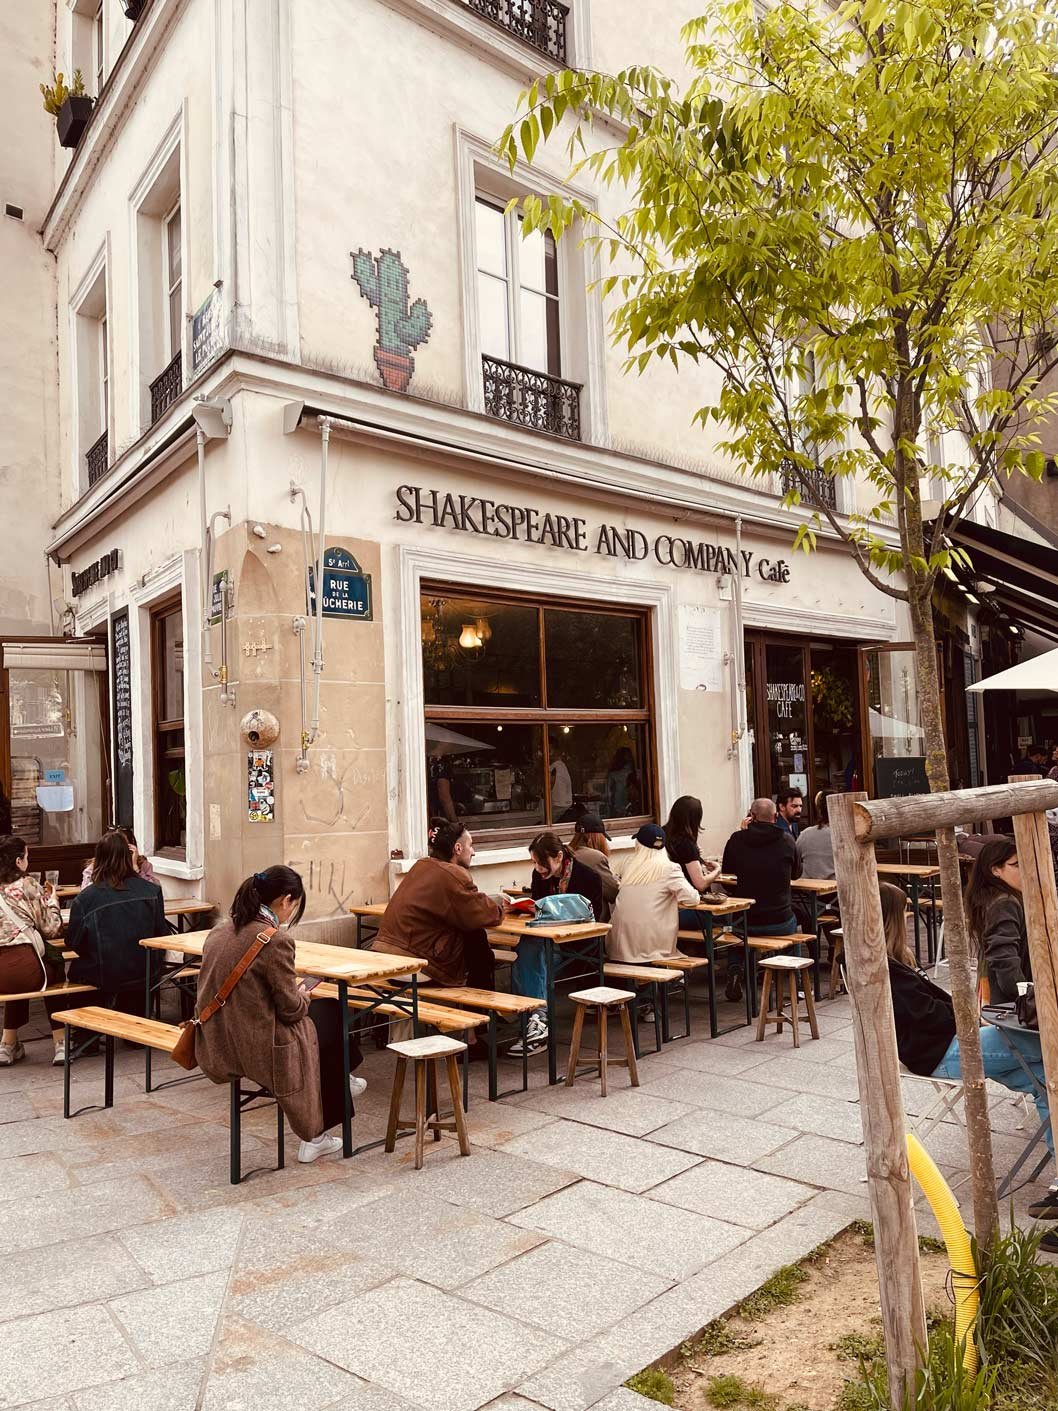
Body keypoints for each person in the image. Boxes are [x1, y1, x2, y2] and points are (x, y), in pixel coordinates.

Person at [880, 880, 1058, 1242]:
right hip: (942, 1053)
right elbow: (929, 1015)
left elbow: (934, 1007)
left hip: (950, 1043)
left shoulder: (895, 962)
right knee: (1047, 1048)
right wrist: (969, 1016)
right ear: (891, 919)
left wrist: (970, 1017)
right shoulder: (882, 969)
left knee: (1048, 1081)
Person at [195, 865, 360, 1164]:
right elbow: (291, 1009)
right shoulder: (275, 940)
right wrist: (302, 995)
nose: (291, 912)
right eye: (294, 906)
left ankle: (344, 1079)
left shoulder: (219, 930)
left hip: (217, 1042)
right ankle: (316, 1134)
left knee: (326, 1026)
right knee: (331, 1016)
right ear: (285, 900)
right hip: (258, 1047)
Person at [374, 818, 504, 989]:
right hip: (415, 966)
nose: (473, 852)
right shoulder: (454, 875)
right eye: (471, 845)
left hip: (386, 959)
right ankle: (483, 1009)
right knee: (476, 936)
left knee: (471, 935)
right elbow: (487, 915)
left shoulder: (421, 866)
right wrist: (502, 908)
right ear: (458, 848)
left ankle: (482, 1008)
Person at [517, 831, 605, 1056]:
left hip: (577, 948)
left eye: (541, 863)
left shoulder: (588, 877)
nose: (538, 869)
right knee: (526, 954)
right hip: (548, 942)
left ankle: (535, 1023)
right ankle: (537, 1023)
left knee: (525, 961)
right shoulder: (540, 877)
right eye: (535, 863)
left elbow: (594, 918)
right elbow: (538, 907)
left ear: (558, 857)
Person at [66, 830, 167, 1019]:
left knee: (79, 971)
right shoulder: (152, 890)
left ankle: (87, 1039)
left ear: (98, 859)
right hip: (144, 970)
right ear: (129, 857)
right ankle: (135, 1026)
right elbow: (162, 933)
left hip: (104, 973)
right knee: (134, 970)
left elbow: (73, 942)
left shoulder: (86, 898)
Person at [0, 836, 65, 1066]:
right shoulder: (27, 885)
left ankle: (7, 1045)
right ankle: (60, 1043)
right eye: (27, 856)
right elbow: (52, 929)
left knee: (18, 972)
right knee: (53, 970)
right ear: (19, 861)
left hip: (2, 975)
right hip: (27, 969)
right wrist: (53, 903)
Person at [608, 824, 698, 965]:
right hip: (652, 947)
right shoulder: (670, 868)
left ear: (638, 844)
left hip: (619, 946)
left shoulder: (628, 865)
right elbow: (693, 899)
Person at [722, 798, 801, 935]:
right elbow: (796, 874)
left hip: (745, 919)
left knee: (736, 943)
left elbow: (727, 880)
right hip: (780, 920)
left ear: (751, 816)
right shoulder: (787, 840)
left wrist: (742, 833)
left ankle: (738, 957)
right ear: (776, 816)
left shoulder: (736, 840)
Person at [965, 837, 1028, 1004]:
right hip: (1010, 1005)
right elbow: (1005, 960)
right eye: (1016, 865)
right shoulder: (1004, 903)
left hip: (998, 999)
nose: (1025, 869)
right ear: (995, 870)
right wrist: (1028, 998)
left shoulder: (995, 898)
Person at [568, 813, 620, 921]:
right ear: (596, 837)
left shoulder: (568, 853)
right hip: (593, 920)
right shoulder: (596, 858)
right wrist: (617, 880)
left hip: (568, 916)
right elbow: (614, 892)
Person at [80, 826, 158, 890]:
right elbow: (85, 894)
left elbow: (154, 890)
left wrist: (136, 869)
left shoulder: (142, 864)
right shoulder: (97, 866)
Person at [795, 791, 835, 880]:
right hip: (834, 889)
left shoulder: (805, 834)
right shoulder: (842, 836)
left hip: (807, 889)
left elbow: (794, 860)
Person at [605, 748, 638, 817]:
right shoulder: (613, 775)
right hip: (618, 809)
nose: (630, 760)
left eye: (630, 758)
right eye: (627, 758)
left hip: (632, 809)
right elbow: (608, 796)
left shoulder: (636, 774)